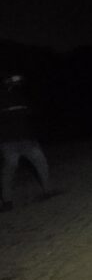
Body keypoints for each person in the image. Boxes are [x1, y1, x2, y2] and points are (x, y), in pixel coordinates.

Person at [0, 74, 51, 212]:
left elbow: (32, 114)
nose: (16, 84)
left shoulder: (22, 96)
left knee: (41, 162)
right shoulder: (3, 96)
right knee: (10, 168)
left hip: (26, 139)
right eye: (13, 81)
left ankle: (47, 190)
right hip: (9, 141)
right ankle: (7, 201)